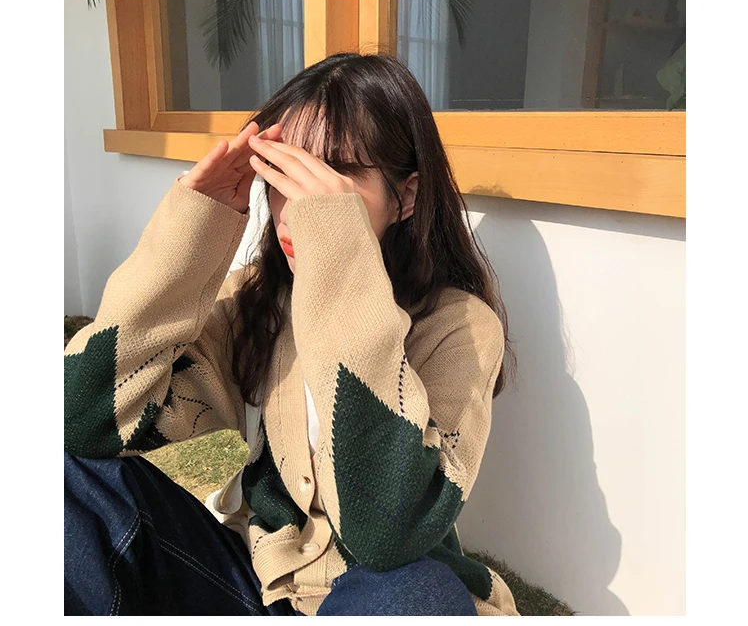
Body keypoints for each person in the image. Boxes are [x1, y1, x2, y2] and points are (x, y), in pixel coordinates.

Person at [64, 52, 520, 616]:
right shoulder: (252, 300)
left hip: (380, 592)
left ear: (405, 197)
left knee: (417, 592)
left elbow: (388, 535)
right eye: (285, 172)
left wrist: (338, 258)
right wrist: (191, 234)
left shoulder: (461, 327)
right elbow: (81, 421)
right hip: (255, 581)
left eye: (333, 177)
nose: (297, 208)